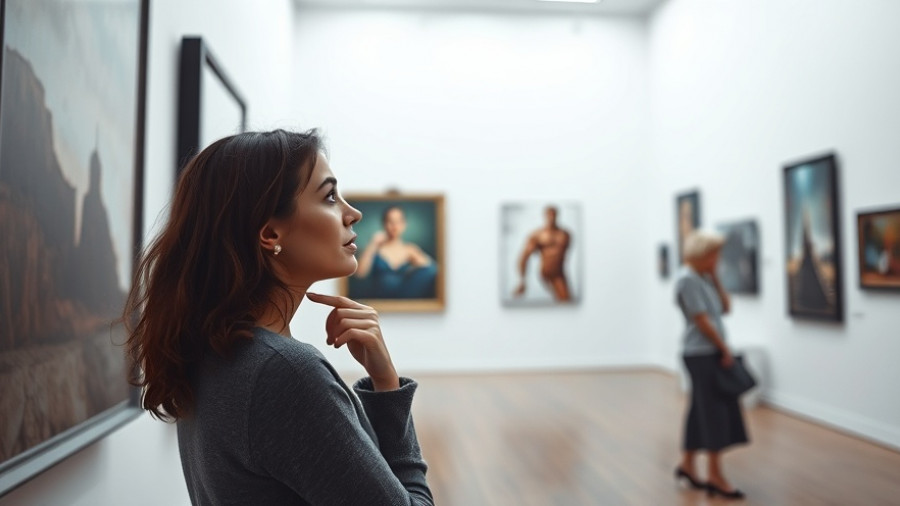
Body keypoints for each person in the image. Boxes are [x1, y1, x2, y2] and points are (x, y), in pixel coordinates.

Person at [123, 129, 433, 505]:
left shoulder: (214, 350)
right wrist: (387, 387)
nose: (353, 214)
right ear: (270, 233)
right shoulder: (285, 374)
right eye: (330, 197)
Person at [674, 229, 748, 500]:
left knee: (699, 410)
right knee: (714, 413)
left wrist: (715, 278)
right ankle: (715, 476)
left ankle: (687, 464)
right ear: (702, 253)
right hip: (702, 354)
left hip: (707, 352)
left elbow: (726, 308)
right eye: (715, 253)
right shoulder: (687, 280)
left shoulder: (703, 278)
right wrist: (723, 348)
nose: (718, 258)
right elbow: (701, 320)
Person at [354, 205, 437, 299]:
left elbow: (432, 270)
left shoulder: (409, 250)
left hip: (404, 300)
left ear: (404, 224)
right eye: (390, 221)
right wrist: (373, 244)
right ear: (384, 224)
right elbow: (360, 274)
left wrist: (413, 271)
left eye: (398, 222)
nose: (394, 226)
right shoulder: (375, 248)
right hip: (379, 300)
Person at [513, 205, 572, 301]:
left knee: (565, 300)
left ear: (557, 216)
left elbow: (564, 256)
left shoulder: (565, 235)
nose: (551, 218)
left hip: (560, 273)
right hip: (547, 273)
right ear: (545, 216)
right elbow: (524, 257)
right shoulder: (538, 235)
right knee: (566, 300)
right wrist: (522, 281)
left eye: (553, 215)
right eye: (549, 215)